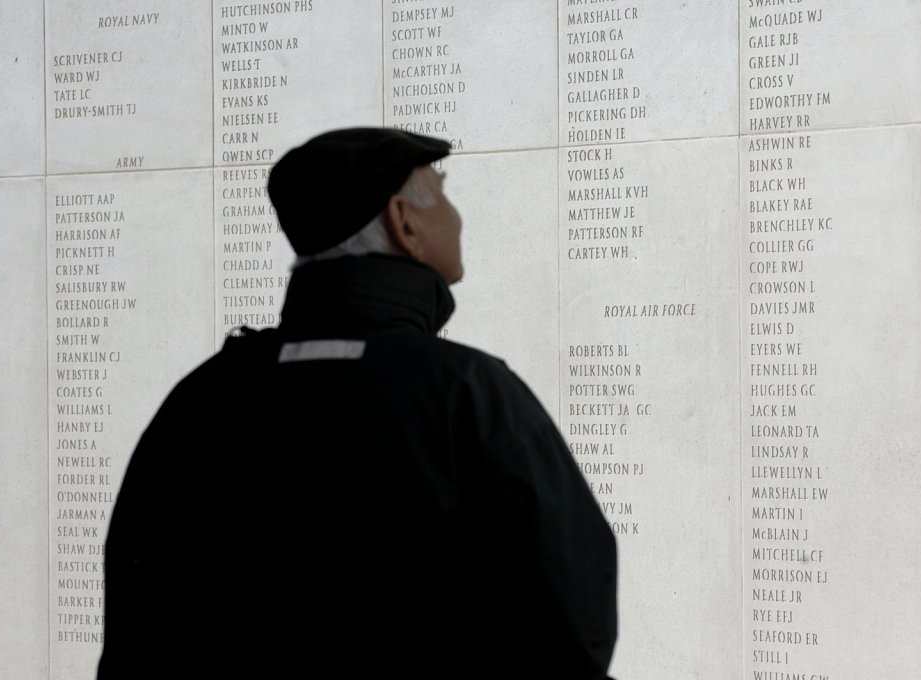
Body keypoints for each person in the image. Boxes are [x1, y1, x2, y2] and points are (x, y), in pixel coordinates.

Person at [97, 128, 618, 679]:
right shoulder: (465, 392)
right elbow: (569, 621)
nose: (457, 216)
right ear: (404, 221)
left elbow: (137, 625)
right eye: (441, 193)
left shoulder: (203, 398)